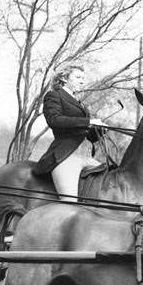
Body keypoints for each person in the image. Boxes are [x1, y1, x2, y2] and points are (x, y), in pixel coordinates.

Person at [34, 64, 107, 201]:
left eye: (83, 78)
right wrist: (88, 122)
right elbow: (54, 120)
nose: (82, 81)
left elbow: (86, 135)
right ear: (64, 78)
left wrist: (100, 131)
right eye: (78, 77)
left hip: (87, 158)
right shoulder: (53, 96)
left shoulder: (80, 103)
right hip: (66, 157)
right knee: (70, 204)